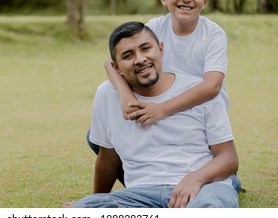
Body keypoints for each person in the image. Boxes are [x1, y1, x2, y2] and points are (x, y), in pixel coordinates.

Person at [86, 0, 242, 193]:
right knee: (96, 137)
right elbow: (112, 64)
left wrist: (162, 109)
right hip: (158, 104)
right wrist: (125, 95)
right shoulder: (155, 27)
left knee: (204, 151)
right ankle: (149, 185)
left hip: (196, 110)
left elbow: (212, 86)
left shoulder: (213, 34)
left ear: (206, 0)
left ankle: (216, 177)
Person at [74, 21, 239, 208]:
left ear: (161, 49)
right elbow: (108, 158)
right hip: (141, 194)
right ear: (116, 68)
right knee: (85, 209)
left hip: (203, 188)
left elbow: (228, 158)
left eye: (146, 49)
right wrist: (95, 204)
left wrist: (196, 178)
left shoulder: (197, 91)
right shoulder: (107, 94)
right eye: (128, 56)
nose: (140, 59)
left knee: (209, 209)